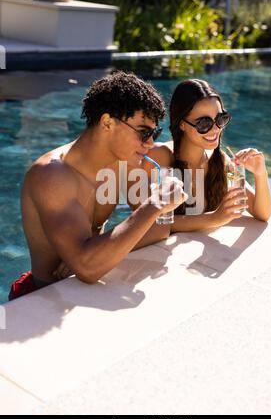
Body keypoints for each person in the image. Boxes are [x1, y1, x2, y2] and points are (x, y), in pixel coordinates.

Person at [9, 71, 186, 300]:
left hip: (90, 289)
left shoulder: (124, 162)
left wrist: (98, 254)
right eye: (143, 132)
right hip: (44, 299)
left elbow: (159, 229)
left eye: (154, 133)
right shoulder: (52, 176)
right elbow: (89, 269)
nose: (150, 142)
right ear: (107, 122)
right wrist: (155, 204)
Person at [142, 78, 271, 233]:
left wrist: (260, 174)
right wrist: (214, 218)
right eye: (204, 123)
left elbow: (262, 214)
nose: (215, 129)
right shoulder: (159, 156)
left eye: (220, 119)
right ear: (182, 124)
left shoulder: (220, 161)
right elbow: (148, 222)